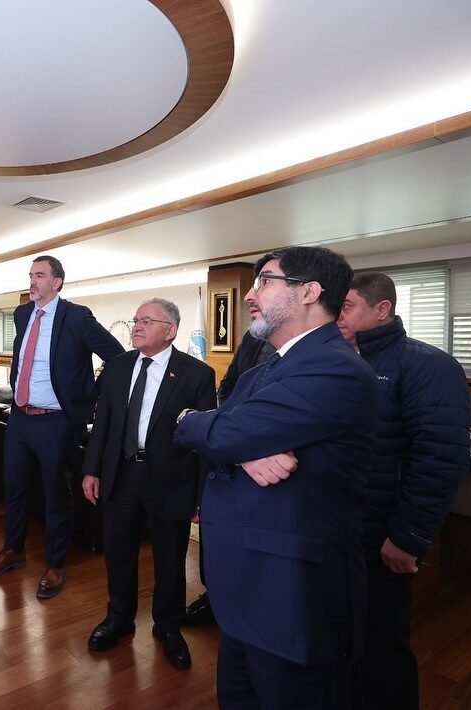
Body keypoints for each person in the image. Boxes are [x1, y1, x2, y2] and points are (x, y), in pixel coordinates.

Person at [174, 246, 378, 707]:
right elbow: (227, 434)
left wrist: (194, 421)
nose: (250, 295)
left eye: (264, 281)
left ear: (309, 291)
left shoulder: (336, 367)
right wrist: (240, 449)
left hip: (289, 595)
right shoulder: (262, 370)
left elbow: (220, 431)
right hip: (242, 584)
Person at [337, 272, 470, 709]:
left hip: (381, 532)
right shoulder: (339, 359)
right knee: (342, 635)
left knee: (381, 644)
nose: (338, 316)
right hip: (339, 528)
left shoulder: (427, 365)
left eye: (348, 307)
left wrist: (408, 536)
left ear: (382, 310)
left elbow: (439, 459)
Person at [80, 298, 216, 669]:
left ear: (171, 330)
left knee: (170, 559)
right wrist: (92, 470)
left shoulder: (197, 374)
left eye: (147, 320)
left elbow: (203, 442)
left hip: (171, 480)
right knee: (118, 552)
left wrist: (201, 496)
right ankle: (119, 618)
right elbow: (103, 424)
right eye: (136, 319)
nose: (136, 326)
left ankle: (168, 626)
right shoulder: (117, 366)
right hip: (121, 475)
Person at [0, 255, 124, 598]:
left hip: (56, 421)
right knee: (14, 486)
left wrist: (90, 394)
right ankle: (13, 550)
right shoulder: (22, 314)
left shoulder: (76, 316)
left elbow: (118, 356)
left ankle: (56, 564)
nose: (32, 281)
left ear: (57, 282)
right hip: (19, 417)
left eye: (40, 275)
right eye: (30, 275)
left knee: (56, 493)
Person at [183, 314, 276, 627]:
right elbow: (228, 386)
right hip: (232, 451)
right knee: (221, 538)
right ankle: (215, 597)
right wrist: (231, 427)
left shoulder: (323, 353)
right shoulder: (253, 336)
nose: (252, 298)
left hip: (272, 460)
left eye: (262, 289)